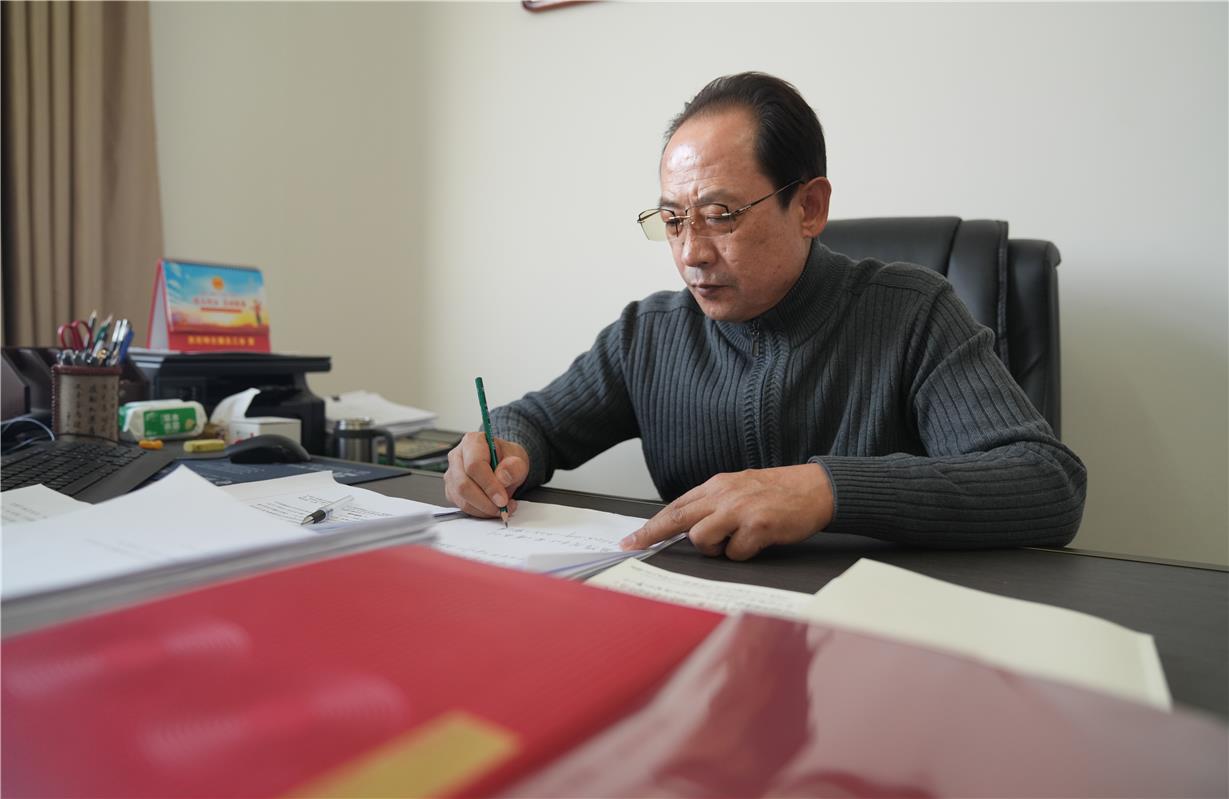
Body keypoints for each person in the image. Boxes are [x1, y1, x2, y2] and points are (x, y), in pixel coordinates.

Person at [444, 71, 1086, 560]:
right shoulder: (649, 335)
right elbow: (536, 423)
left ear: (808, 208)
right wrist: (500, 448)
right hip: (702, 633)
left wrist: (825, 490)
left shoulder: (912, 313)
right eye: (673, 220)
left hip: (873, 638)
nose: (691, 252)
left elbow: (1047, 483)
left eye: (719, 215)